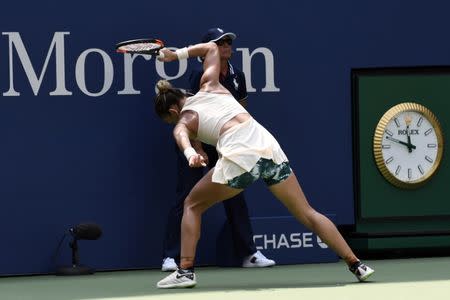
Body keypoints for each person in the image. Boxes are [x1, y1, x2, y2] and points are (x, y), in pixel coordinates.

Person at [153, 39, 375, 289]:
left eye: (170, 121)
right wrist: (177, 55)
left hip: (240, 155)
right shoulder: (210, 84)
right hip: (268, 147)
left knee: (191, 205)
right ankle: (356, 264)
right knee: (307, 212)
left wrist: (190, 154)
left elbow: (181, 136)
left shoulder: (184, 119)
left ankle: (185, 271)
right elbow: (212, 48)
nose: (174, 123)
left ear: (173, 112)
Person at [161, 28, 275, 272]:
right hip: (198, 140)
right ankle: (172, 257)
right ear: (207, 52)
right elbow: (194, 113)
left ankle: (248, 254)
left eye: (228, 42)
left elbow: (242, 109)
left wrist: (235, 145)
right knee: (187, 197)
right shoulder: (199, 75)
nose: (226, 46)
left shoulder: (238, 76)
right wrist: (198, 149)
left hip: (227, 143)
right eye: (220, 43)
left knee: (235, 195)